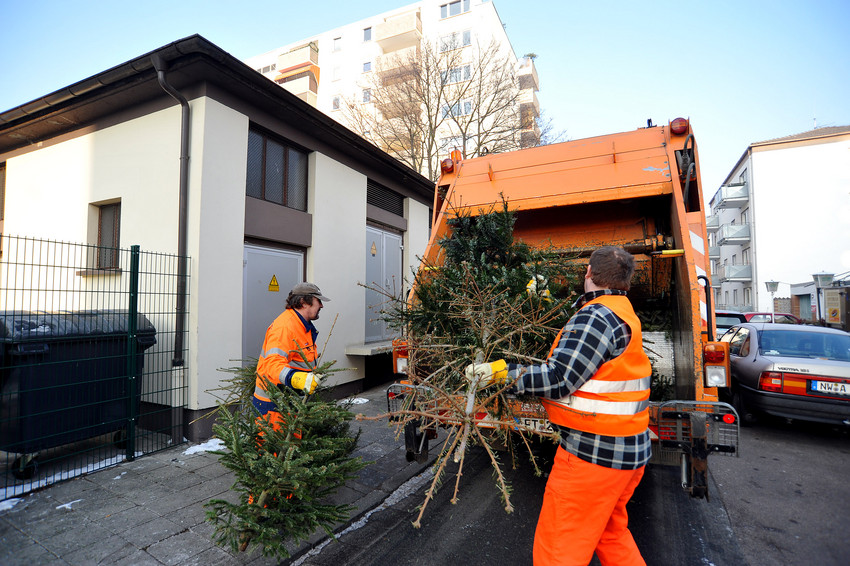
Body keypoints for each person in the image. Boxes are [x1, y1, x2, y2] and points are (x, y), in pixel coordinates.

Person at [466, 246, 651, 566]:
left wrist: (501, 373)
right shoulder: (621, 310)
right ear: (626, 282)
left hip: (593, 457)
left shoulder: (597, 317)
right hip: (626, 450)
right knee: (611, 535)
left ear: (589, 273)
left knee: (558, 550)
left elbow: (559, 378)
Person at [253, 282, 330, 430]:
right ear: (303, 302)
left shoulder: (302, 325)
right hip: (273, 406)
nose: (321, 306)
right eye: (318, 301)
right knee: (274, 452)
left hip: (290, 403)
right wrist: (298, 378)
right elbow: (272, 365)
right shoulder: (285, 327)